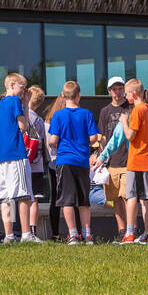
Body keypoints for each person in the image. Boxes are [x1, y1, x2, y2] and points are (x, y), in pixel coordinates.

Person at [47, 81, 101, 244]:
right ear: (79, 95)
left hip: (65, 160)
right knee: (84, 200)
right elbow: (93, 138)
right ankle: (87, 234)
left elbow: (53, 139)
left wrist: (52, 143)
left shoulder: (58, 115)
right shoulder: (86, 114)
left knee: (67, 200)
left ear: (63, 96)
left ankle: (73, 234)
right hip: (82, 161)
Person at [118, 79, 148, 244]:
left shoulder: (137, 110)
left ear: (134, 93)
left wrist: (124, 122)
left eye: (127, 93)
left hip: (137, 160)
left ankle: (129, 233)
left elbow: (130, 135)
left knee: (131, 197)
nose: (125, 96)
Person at [0, 73, 34, 243]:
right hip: (16, 153)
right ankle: (26, 234)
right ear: (12, 85)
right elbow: (23, 126)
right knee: (23, 195)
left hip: (3, 155)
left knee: (6, 197)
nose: (23, 91)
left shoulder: (1, 104)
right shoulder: (14, 101)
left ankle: (9, 235)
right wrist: (26, 104)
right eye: (21, 87)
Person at [96, 76, 131, 236]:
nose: (117, 92)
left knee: (127, 196)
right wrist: (100, 157)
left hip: (128, 157)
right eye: (114, 89)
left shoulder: (130, 107)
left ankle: (132, 229)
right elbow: (102, 136)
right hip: (111, 160)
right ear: (109, 91)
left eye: (120, 88)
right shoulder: (105, 111)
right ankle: (121, 229)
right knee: (115, 197)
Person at [25, 85, 48, 241]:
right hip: (37, 164)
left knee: (22, 198)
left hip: (23, 163)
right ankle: (32, 230)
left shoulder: (23, 116)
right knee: (34, 199)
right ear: (39, 103)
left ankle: (22, 229)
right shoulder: (39, 120)